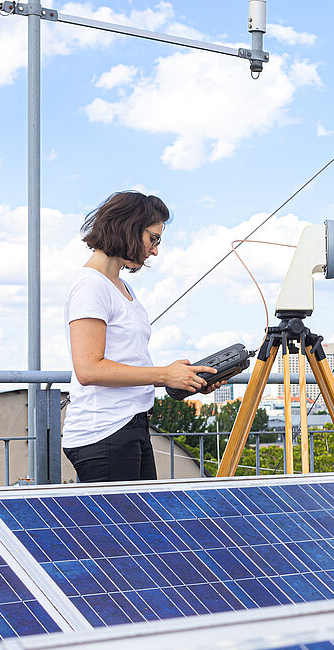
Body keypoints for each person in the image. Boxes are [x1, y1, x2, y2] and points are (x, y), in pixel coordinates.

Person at [63, 191, 217, 482]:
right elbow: (89, 368)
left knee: (138, 526)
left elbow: (127, 359)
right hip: (104, 432)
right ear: (128, 227)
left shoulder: (120, 286)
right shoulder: (90, 286)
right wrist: (163, 375)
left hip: (130, 425)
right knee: (119, 528)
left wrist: (182, 377)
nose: (155, 250)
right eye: (153, 238)